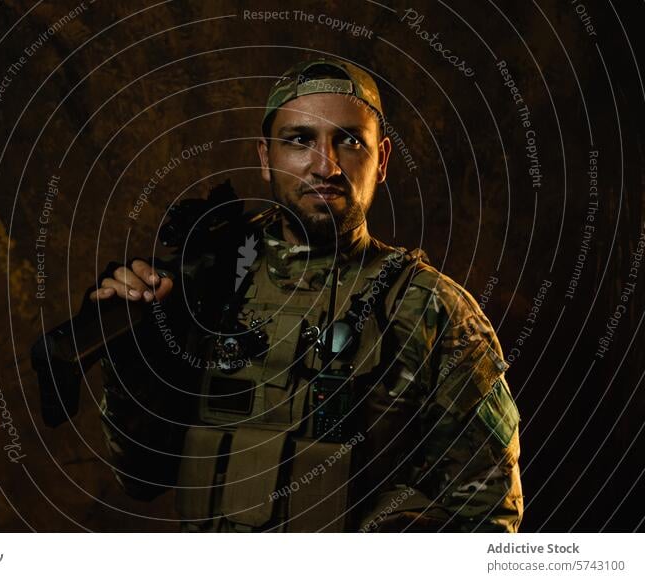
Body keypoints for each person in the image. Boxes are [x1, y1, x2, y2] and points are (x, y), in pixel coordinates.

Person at [91, 56, 524, 532]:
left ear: (380, 161)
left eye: (350, 141)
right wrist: (134, 356)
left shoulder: (434, 311)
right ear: (264, 157)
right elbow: (142, 476)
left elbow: (488, 519)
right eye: (300, 140)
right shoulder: (203, 288)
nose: (326, 165)